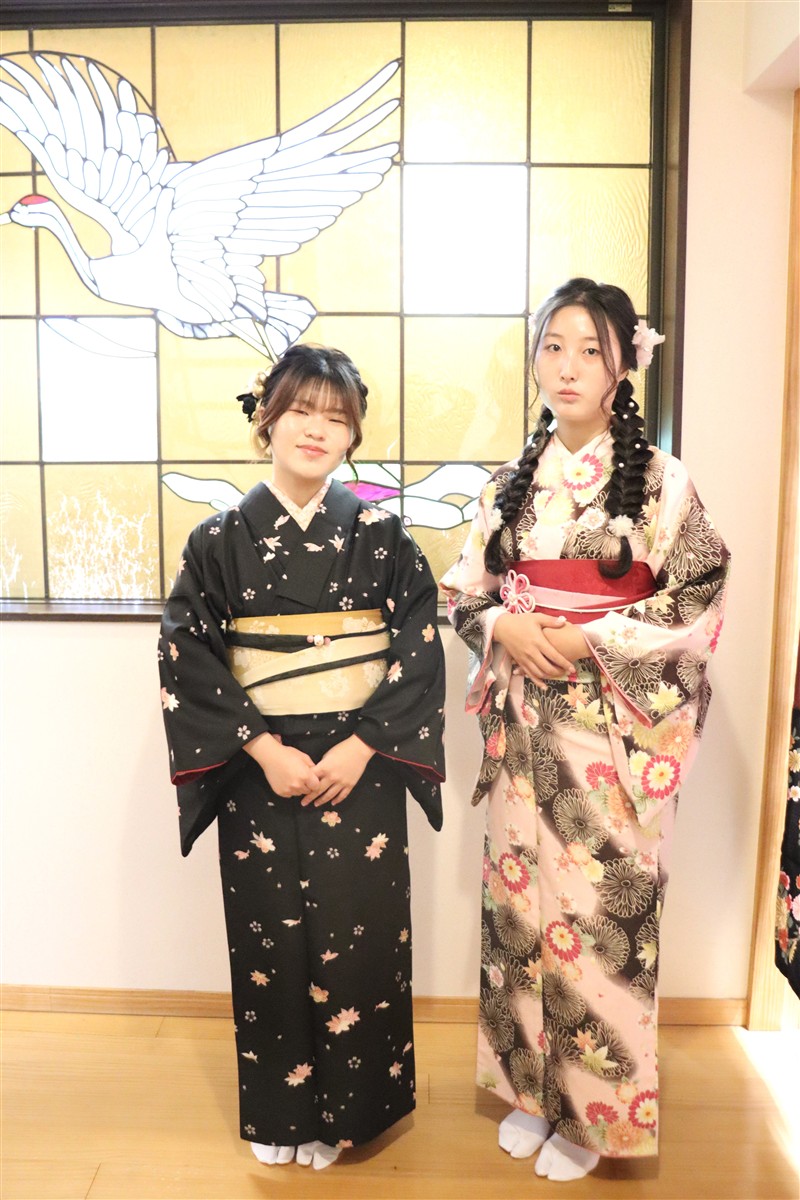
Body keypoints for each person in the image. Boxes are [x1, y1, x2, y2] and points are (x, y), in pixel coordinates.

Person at [440, 278, 729, 1181]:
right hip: (523, 726)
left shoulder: (662, 482)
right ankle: (532, 1095)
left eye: (591, 350)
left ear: (622, 369)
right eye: (553, 346)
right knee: (520, 915)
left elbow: (698, 594)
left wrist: (586, 635)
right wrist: (501, 624)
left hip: (610, 737)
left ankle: (592, 1117)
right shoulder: (507, 485)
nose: (567, 366)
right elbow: (462, 592)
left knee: (598, 919)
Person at [159, 344, 445, 1170]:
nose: (317, 430)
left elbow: (418, 648)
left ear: (353, 435)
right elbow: (187, 652)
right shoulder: (217, 539)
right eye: (300, 411)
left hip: (363, 766)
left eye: (336, 417)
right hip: (261, 768)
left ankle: (353, 1114)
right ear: (266, 419)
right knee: (271, 943)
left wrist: (362, 744)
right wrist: (259, 745)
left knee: (361, 939)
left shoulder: (385, 538)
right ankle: (281, 1113)